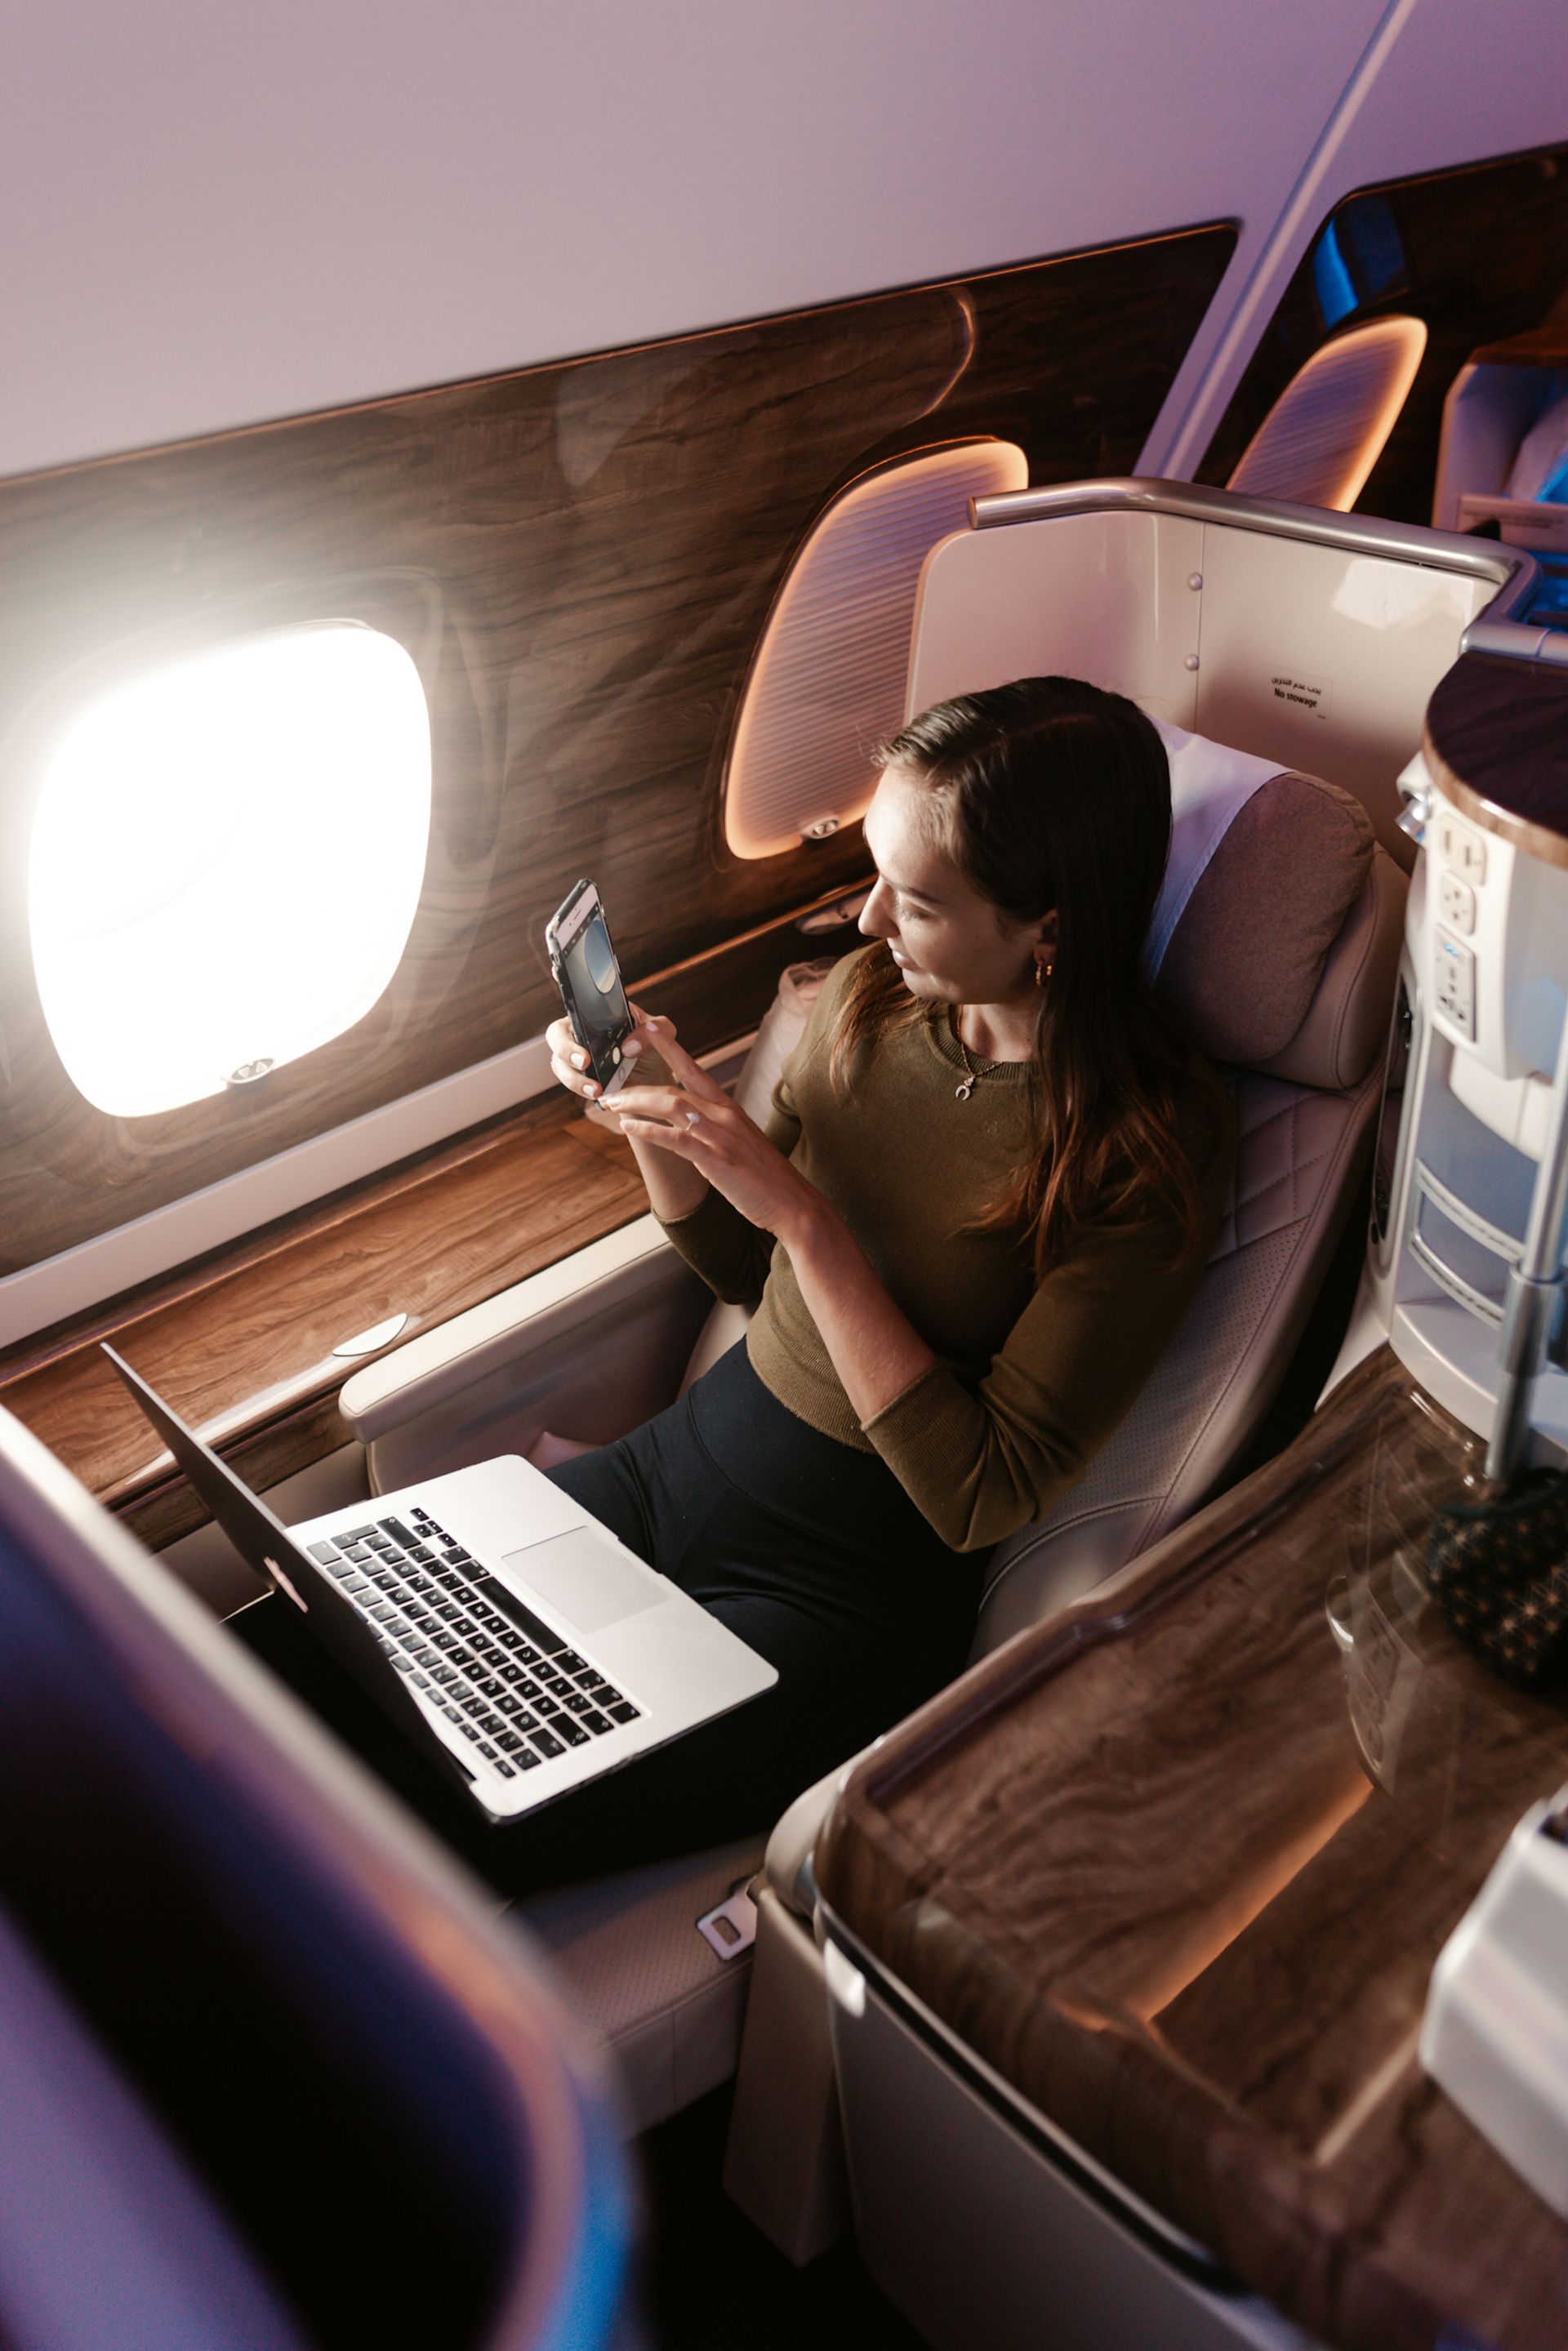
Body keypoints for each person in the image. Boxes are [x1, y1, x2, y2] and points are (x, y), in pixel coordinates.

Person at [432, 672, 1236, 1896]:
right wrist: (657, 1116)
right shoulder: (873, 1004)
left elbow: (985, 1492)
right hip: (669, 1475)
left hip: (826, 1607)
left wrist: (807, 1216)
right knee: (331, 1661)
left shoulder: (1140, 1148)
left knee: (448, 1814)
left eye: (914, 902)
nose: (864, 925)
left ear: (1050, 929)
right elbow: (748, 1275)